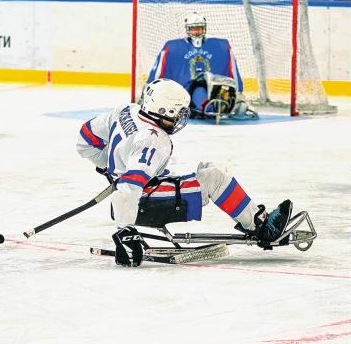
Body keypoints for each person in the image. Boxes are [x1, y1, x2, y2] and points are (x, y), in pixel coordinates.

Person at [76, 78, 293, 267]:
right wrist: (125, 230)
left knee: (209, 169)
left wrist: (112, 168)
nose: (181, 117)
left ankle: (254, 217)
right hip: (144, 203)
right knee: (214, 178)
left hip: (138, 195)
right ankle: (263, 228)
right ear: (163, 110)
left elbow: (85, 139)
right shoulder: (153, 139)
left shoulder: (127, 111)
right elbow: (129, 188)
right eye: (178, 112)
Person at [146, 12, 250, 119]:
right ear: (187, 29)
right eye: (193, 29)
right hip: (182, 91)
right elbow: (158, 72)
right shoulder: (173, 47)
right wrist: (149, 90)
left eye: (199, 28)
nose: (196, 32)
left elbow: (233, 70)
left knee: (208, 91)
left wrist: (239, 94)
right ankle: (203, 108)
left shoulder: (221, 46)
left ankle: (211, 107)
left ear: (204, 28)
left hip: (207, 88)